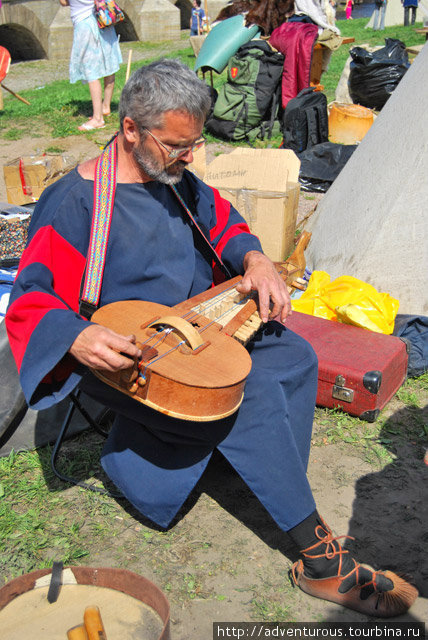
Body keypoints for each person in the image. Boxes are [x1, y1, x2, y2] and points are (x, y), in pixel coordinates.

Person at [5, 59, 418, 618]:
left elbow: (223, 221)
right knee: (242, 404)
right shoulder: (75, 203)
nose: (190, 156)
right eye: (177, 144)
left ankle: (258, 472)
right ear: (130, 128)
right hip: (131, 356)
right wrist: (76, 337)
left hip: (200, 326)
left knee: (291, 353)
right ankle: (320, 561)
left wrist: (254, 259)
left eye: (195, 143)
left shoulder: (173, 179)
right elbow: (30, 298)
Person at [59, 0, 122, 131]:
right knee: (107, 63)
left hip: (86, 24)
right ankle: (105, 106)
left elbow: (63, 2)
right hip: (103, 19)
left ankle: (98, 119)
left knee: (91, 72)